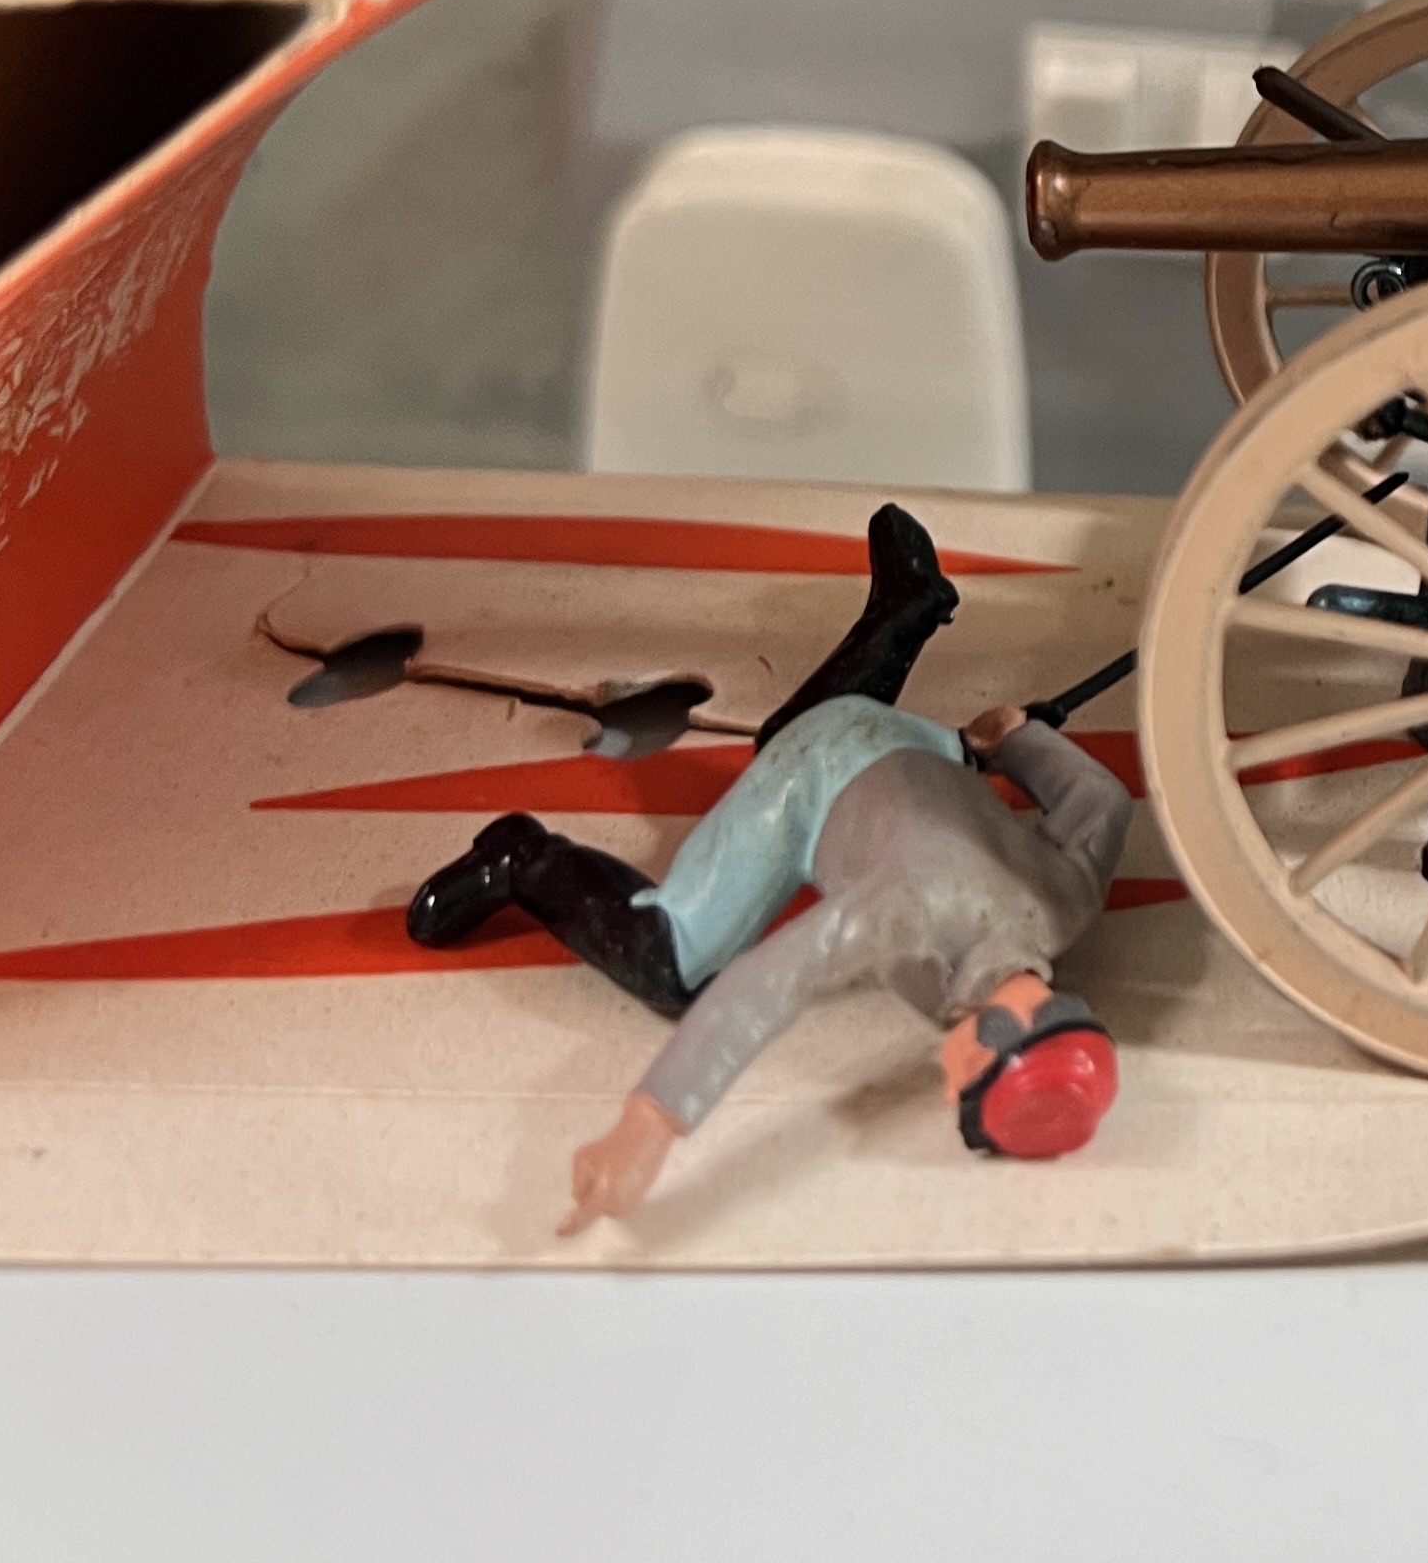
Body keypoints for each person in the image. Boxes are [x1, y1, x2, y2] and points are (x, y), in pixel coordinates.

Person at [401, 503, 1124, 1215]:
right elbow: (765, 985)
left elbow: (1102, 801)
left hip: (921, 746)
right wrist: (649, 1125)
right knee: (670, 963)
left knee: (806, 728)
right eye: (966, 1087)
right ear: (999, 1038)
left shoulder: (1068, 902)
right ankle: (519, 858)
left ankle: (904, 614)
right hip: (809, 782)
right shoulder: (904, 915)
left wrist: (1016, 739)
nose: (946, 1089)